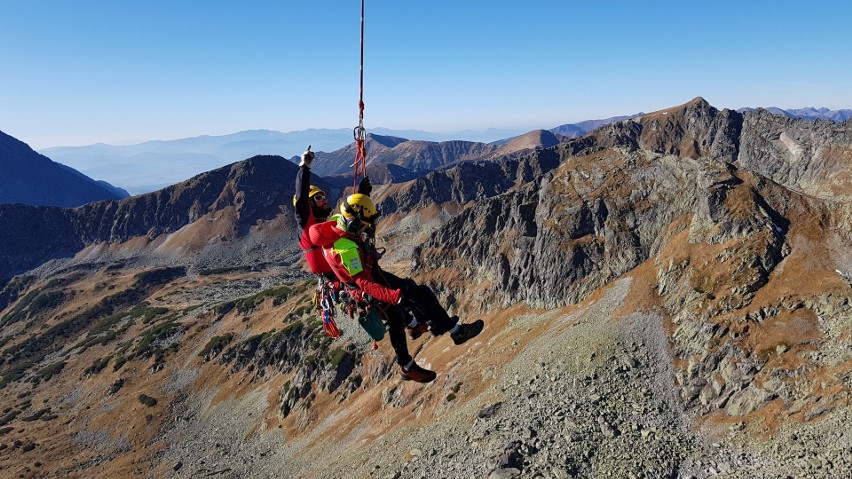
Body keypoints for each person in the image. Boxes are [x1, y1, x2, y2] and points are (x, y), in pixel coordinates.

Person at [310, 193, 484, 383]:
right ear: (354, 224)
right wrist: (393, 296)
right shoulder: (345, 249)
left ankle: (421, 344)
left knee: (407, 300)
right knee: (404, 307)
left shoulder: (338, 222)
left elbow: (355, 213)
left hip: (375, 275)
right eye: (364, 225)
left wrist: (362, 194)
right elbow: (363, 283)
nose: (367, 228)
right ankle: (452, 333)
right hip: (370, 285)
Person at [293, 145, 371, 277]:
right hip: (338, 276)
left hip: (342, 272)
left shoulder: (324, 224)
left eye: (324, 197)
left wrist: (362, 195)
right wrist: (304, 168)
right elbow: (301, 199)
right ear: (309, 203)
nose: (325, 200)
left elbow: (348, 220)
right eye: (319, 198)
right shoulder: (306, 223)